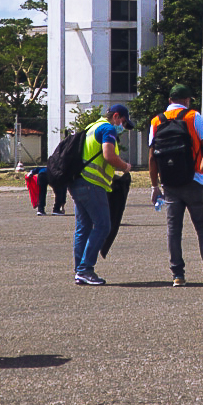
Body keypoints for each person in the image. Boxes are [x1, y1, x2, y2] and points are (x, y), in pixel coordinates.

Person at [149, 85, 203, 287]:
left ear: (170, 100)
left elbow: (152, 156)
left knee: (174, 229)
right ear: (187, 100)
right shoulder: (194, 116)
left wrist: (155, 186)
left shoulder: (156, 121)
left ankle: (177, 274)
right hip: (196, 179)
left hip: (169, 182)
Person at [70, 103, 133, 285]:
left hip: (78, 182)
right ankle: (85, 269)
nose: (122, 126)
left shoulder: (92, 127)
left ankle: (80, 270)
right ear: (116, 116)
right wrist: (125, 166)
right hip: (92, 184)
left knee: (83, 228)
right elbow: (109, 155)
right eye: (123, 122)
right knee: (103, 226)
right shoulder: (108, 129)